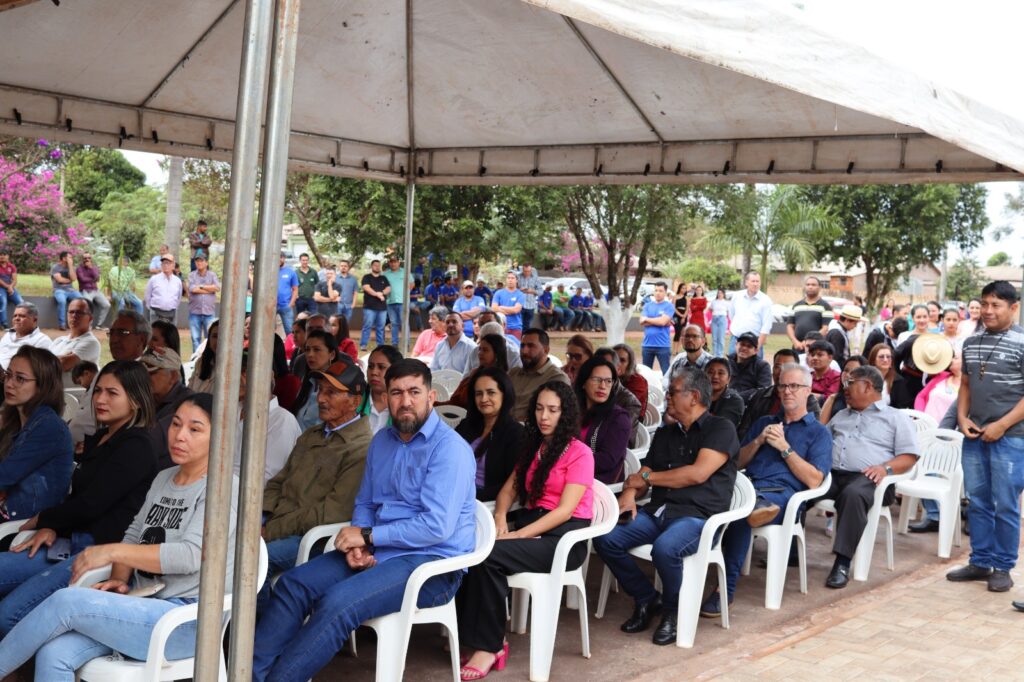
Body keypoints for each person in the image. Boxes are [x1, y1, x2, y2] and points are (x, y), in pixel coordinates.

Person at [253, 359, 476, 681]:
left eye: (415, 391)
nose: (406, 401)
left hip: (430, 564)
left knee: (337, 603)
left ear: (431, 397)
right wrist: (360, 540)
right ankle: (250, 676)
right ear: (386, 396)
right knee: (294, 584)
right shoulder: (382, 442)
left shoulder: (449, 450)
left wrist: (369, 536)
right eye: (397, 392)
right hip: (378, 550)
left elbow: (435, 527)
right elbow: (366, 502)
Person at [0, 393, 239, 681]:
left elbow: (189, 556)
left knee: (67, 601)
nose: (179, 436)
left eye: (195, 429)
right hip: (142, 606)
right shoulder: (165, 478)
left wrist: (111, 553)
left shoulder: (224, 487)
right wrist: (121, 577)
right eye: (176, 424)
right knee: (54, 652)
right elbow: (135, 534)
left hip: (186, 621)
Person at [0, 360, 157, 635]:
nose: (100, 399)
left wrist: (44, 519)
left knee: (7, 616)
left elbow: (92, 504)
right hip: (69, 541)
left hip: (97, 552)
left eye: (112, 393)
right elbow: (79, 498)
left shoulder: (136, 445)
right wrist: (51, 526)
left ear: (135, 400)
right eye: (98, 391)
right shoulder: (103, 437)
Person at [457, 380, 594, 674]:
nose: (544, 417)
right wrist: (500, 518)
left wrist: (518, 535)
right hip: (533, 526)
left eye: (553, 410)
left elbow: (564, 511)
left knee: (489, 554)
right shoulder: (535, 449)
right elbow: (508, 491)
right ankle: (471, 635)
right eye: (540, 409)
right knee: (469, 545)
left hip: (563, 539)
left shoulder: (580, 453)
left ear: (565, 414)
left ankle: (490, 645)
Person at [594, 366, 738, 645]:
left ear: (694, 397)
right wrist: (627, 496)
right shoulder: (667, 433)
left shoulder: (721, 428)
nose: (667, 398)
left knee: (665, 549)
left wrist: (647, 477)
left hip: (699, 518)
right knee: (605, 537)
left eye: (672, 393)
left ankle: (672, 612)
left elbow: (696, 474)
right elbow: (639, 476)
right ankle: (648, 598)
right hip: (659, 512)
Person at [705, 363, 832, 615]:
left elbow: (815, 480)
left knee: (741, 515)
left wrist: (785, 448)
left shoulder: (818, 433)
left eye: (794, 386)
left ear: (808, 391)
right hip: (749, 486)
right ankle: (694, 569)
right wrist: (759, 440)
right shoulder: (764, 422)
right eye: (783, 385)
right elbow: (738, 461)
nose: (787, 391)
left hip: (784, 497)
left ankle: (724, 590)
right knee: (708, 502)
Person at [258, 360, 371, 610]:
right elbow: (278, 481)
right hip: (277, 525)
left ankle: (255, 634)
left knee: (252, 559)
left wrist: (271, 530)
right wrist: (262, 518)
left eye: (332, 392)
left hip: (314, 538)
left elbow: (329, 513)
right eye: (320, 390)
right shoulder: (312, 435)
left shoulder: (360, 448)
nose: (321, 398)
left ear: (354, 399)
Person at [948, 281, 1024, 595]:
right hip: (975, 434)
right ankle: (980, 561)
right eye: (985, 304)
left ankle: (1003, 566)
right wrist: (963, 418)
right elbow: (965, 384)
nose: (988, 311)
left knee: (1005, 503)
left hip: (1012, 437)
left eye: (996, 305)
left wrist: (1002, 425)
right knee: (977, 501)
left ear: (1014, 307)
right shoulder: (972, 341)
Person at [820, 366, 919, 588]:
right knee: (802, 488)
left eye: (850, 383)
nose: (844, 388)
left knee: (853, 494)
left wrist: (885, 468)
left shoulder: (895, 418)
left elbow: (910, 456)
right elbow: (822, 441)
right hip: (833, 474)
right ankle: (788, 550)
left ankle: (842, 563)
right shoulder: (841, 415)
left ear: (867, 386)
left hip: (870, 479)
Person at [0, 346, 73, 521]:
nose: (9, 383)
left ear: (42, 386)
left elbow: (4, 476)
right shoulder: (15, 420)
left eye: (20, 379)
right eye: (8, 375)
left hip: (21, 526)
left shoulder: (49, 427)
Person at [68, 311, 151, 446]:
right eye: (111, 333)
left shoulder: (145, 375)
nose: (114, 339)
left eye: (122, 333)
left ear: (141, 339)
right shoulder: (108, 371)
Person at [455, 367, 525, 501]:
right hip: (453, 494)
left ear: (504, 395)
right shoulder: (467, 425)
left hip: (484, 505)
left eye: (491, 392)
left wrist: (467, 496)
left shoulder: (515, 434)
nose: (484, 399)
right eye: (478, 394)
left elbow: (512, 485)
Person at [738, 348, 822, 440]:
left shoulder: (808, 400)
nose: (781, 371)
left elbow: (811, 434)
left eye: (787, 367)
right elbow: (744, 431)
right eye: (777, 366)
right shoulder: (759, 396)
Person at [575, 357, 631, 484]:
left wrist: (570, 462)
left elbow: (607, 461)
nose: (603, 386)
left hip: (599, 486)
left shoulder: (619, 418)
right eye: (596, 379)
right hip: (568, 478)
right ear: (583, 382)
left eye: (608, 381)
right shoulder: (573, 411)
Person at [508, 329, 570, 421]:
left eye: (530, 346)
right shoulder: (513, 374)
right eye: (522, 346)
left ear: (546, 350)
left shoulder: (556, 378)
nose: (524, 351)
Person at [290, 329, 340, 431]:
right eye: (307, 350)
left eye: (316, 349)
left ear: (332, 354)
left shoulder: (339, 388)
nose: (310, 355)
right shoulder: (308, 382)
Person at [443, 334, 509, 409]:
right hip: (454, 411)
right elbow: (455, 400)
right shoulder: (475, 373)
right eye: (480, 349)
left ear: (496, 354)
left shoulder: (500, 380)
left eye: (485, 350)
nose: (480, 353)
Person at [50, 298, 101, 387]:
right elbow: (41, 363)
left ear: (90, 318)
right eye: (71, 312)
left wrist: (61, 359)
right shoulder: (59, 340)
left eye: (79, 313)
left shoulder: (91, 343)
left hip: (73, 396)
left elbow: (63, 364)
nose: (74, 316)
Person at [358, 344, 402, 433]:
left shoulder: (405, 405)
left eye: (381, 367)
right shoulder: (354, 401)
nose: (374, 372)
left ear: (396, 371)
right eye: (370, 366)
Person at [728, 272, 773, 356]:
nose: (755, 284)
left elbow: (766, 326)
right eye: (753, 281)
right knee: (732, 367)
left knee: (755, 368)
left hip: (755, 341)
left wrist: (757, 347)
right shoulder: (737, 296)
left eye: (757, 281)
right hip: (736, 339)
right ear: (746, 282)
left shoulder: (766, 300)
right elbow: (731, 315)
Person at [894, 304, 933, 400]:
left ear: (929, 318)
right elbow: (897, 358)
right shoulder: (904, 336)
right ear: (913, 318)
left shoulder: (935, 338)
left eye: (925, 317)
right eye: (918, 317)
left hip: (929, 380)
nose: (922, 320)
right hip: (907, 378)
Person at [0, 303, 54, 370]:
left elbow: (41, 370)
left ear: (34, 320)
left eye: (22, 316)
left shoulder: (42, 341)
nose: (17, 318)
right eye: (15, 316)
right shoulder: (8, 335)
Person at [786, 276, 832, 353]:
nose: (810, 287)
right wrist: (795, 342)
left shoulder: (825, 306)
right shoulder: (796, 305)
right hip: (797, 347)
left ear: (819, 287)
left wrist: (808, 342)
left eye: (813, 285)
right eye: (808, 284)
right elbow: (789, 326)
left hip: (816, 348)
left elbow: (825, 328)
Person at [818, 355, 867, 424]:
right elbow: (821, 427)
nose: (848, 375)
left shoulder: (868, 402)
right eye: (846, 370)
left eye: (854, 371)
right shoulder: (833, 399)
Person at [185, 253, 219, 351]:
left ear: (206, 263)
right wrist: (210, 289)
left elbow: (217, 288)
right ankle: (196, 361)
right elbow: (193, 289)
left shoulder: (212, 275)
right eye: (197, 261)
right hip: (194, 312)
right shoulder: (192, 275)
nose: (199, 263)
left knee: (209, 338)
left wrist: (201, 286)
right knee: (195, 339)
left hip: (209, 312)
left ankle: (207, 358)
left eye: (201, 261)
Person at [640, 282, 675, 373]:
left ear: (665, 292)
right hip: (647, 345)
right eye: (656, 290)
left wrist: (647, 319)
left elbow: (663, 322)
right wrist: (660, 321)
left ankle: (666, 388)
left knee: (666, 373)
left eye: (660, 291)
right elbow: (642, 322)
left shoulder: (669, 306)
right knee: (646, 374)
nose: (658, 293)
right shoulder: (647, 306)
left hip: (663, 345)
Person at [867, 343, 913, 409]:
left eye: (888, 357)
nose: (885, 360)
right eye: (881, 357)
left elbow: (901, 407)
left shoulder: (898, 381)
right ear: (873, 361)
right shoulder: (864, 379)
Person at [667, 324, 714, 389]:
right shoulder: (678, 364)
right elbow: (670, 388)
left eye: (695, 336)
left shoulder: (712, 364)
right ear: (681, 340)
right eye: (686, 336)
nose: (690, 340)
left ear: (703, 341)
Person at [727, 331, 772, 396]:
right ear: (736, 345)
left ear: (755, 351)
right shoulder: (728, 363)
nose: (744, 348)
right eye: (742, 344)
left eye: (749, 346)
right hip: (728, 402)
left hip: (751, 404)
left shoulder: (762, 366)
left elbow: (764, 390)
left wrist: (738, 398)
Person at [74, 252, 111, 330]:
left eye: (89, 258)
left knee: (107, 305)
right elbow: (82, 280)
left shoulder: (94, 268)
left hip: (95, 290)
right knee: (88, 306)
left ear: (91, 259)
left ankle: (99, 325)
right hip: (85, 290)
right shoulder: (79, 268)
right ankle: (88, 325)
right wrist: (92, 279)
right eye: (85, 258)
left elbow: (97, 278)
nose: (87, 259)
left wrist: (91, 269)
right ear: (82, 259)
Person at [359, 258, 390, 350]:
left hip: (382, 308)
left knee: (381, 327)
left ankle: (380, 345)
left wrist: (382, 293)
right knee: (367, 326)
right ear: (372, 266)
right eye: (375, 265)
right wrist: (378, 294)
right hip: (369, 307)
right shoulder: (366, 277)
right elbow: (366, 288)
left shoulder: (383, 278)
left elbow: (388, 288)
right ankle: (363, 344)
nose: (377, 267)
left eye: (379, 265)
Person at [705, 357, 744, 428]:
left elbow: (722, 427)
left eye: (721, 373)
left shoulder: (735, 401)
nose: (715, 376)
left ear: (729, 379)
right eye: (710, 372)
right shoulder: (696, 395)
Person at [49, 251, 83, 331]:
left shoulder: (71, 267)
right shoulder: (56, 267)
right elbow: (59, 280)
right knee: (62, 301)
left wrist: (70, 265)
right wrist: (69, 280)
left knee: (81, 300)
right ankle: (62, 324)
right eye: (70, 257)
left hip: (71, 290)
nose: (72, 259)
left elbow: (74, 279)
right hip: (59, 290)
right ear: (64, 258)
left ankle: (77, 323)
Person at [143, 254, 182, 324]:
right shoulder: (154, 279)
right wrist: (151, 309)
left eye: (168, 263)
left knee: (171, 334)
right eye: (163, 263)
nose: (165, 265)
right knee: (155, 334)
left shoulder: (177, 281)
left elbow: (178, 298)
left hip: (171, 314)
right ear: (161, 265)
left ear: (173, 265)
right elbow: (147, 296)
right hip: (155, 313)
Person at [614, 343, 649, 418]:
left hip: (631, 421)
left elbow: (623, 405)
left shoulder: (638, 381)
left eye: (622, 360)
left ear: (630, 364)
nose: (617, 363)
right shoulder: (609, 377)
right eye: (614, 359)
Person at [187, 319, 220, 394]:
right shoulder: (200, 362)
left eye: (222, 336)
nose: (218, 341)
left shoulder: (235, 369)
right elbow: (189, 390)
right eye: (214, 336)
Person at [491, 271, 526, 340]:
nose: (510, 280)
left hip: (515, 327)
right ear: (506, 280)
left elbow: (516, 310)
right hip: (500, 326)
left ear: (517, 280)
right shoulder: (498, 293)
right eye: (508, 278)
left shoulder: (520, 294)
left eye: (512, 278)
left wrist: (501, 307)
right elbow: (494, 308)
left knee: (515, 349)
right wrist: (510, 310)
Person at [383, 255, 406, 345]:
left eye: (395, 261)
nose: (393, 263)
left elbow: (411, 284)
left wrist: (403, 294)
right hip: (390, 302)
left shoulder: (405, 272)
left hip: (402, 302)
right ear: (389, 263)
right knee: (394, 324)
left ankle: (406, 344)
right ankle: (394, 343)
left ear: (398, 262)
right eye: (391, 262)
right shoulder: (385, 274)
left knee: (404, 324)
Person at [0, 249, 23, 329]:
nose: (2, 256)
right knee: (3, 301)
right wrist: (8, 287)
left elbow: (14, 279)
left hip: (10, 287)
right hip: (1, 288)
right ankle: (4, 323)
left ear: (8, 256)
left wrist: (11, 287)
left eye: (4, 254)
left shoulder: (11, 266)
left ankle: (22, 323)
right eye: (0, 255)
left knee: (21, 303)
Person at [709, 288, 730, 357]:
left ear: (724, 294)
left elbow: (728, 312)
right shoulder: (714, 301)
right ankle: (714, 354)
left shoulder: (726, 302)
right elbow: (710, 309)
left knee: (721, 339)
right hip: (714, 319)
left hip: (722, 319)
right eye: (718, 293)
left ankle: (720, 355)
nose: (719, 294)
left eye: (721, 293)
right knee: (714, 338)